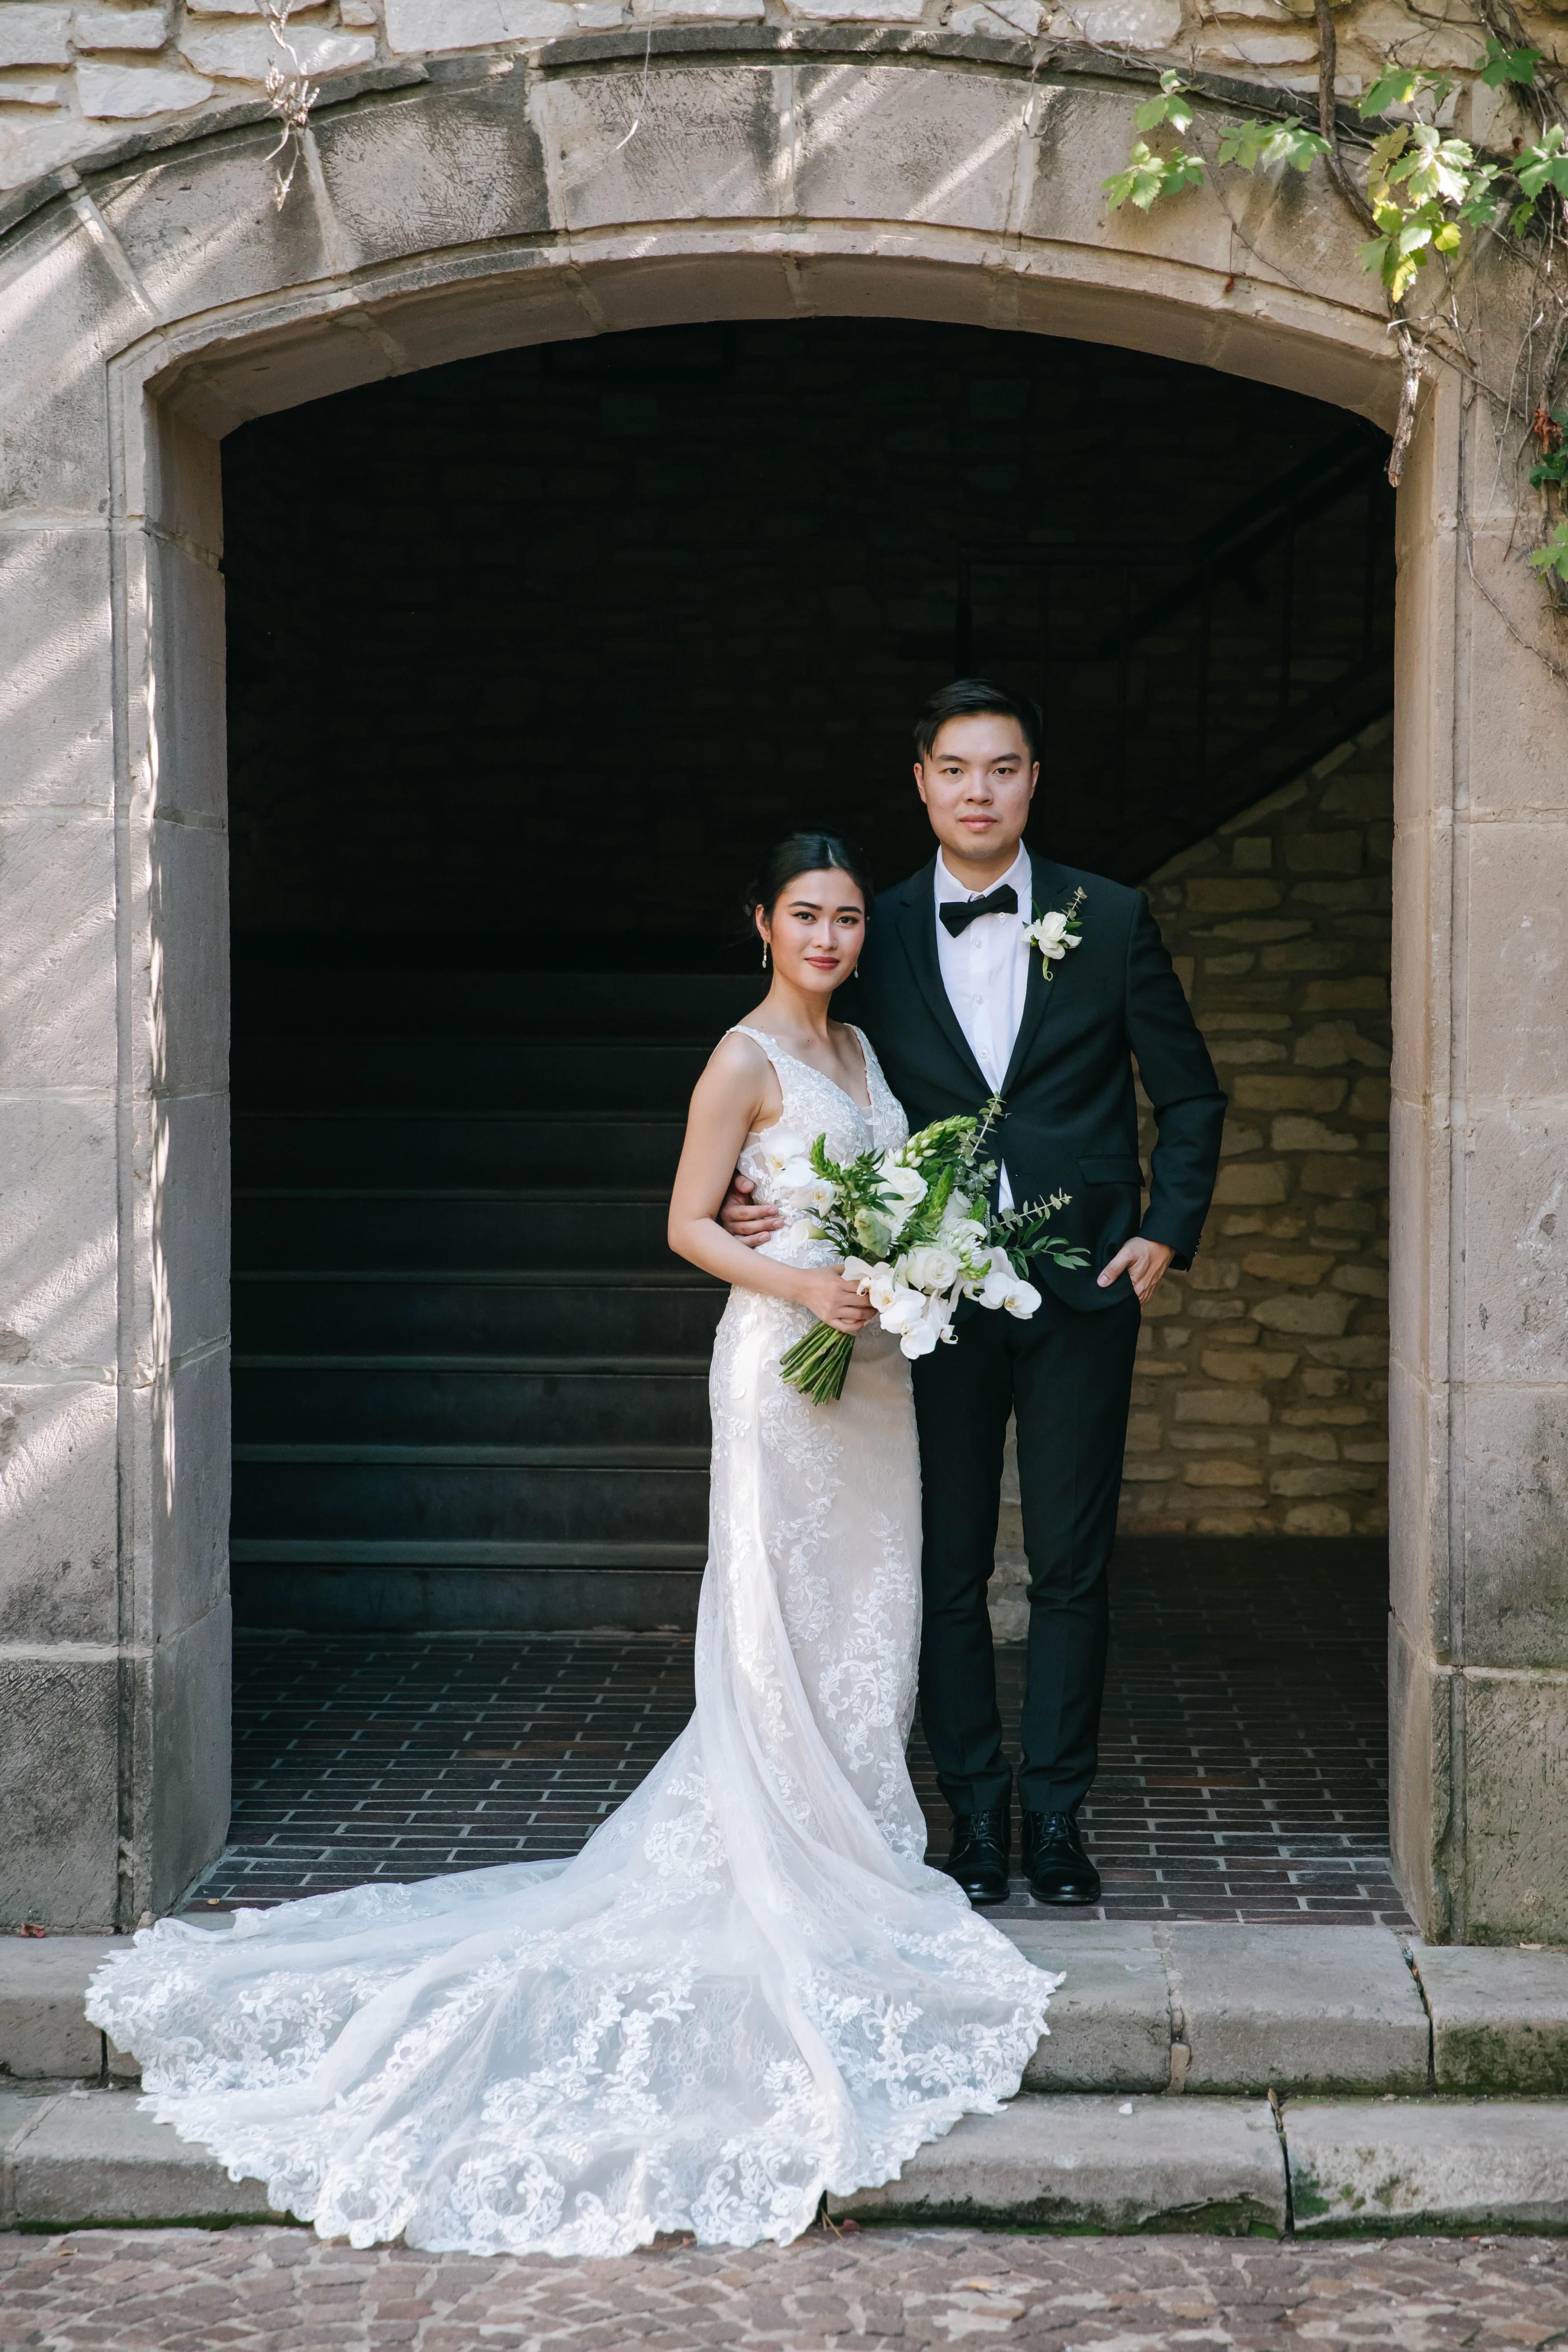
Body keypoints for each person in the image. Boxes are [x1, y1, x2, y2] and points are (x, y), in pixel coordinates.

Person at [85, 830, 1056, 2261]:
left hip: (877, 1378)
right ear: (763, 924)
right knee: (778, 1618)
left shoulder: (860, 1058)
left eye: (851, 917)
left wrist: (924, 1256)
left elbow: (895, 1188)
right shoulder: (742, 1060)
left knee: (870, 1610)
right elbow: (683, 1223)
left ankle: (855, 1830)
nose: (833, 936)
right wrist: (807, 1278)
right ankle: (781, 1844)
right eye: (809, 915)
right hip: (789, 1365)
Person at [723, 683, 1226, 1910]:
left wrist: (1167, 1228)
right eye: (956, 770)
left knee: (1070, 1563)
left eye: (1003, 770)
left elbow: (1193, 1094)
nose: (980, 791)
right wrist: (763, 1197)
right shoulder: (870, 926)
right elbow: (796, 1068)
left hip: (1084, 1291)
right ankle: (973, 1816)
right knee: (943, 1561)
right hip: (923, 1299)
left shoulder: (1109, 917)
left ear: (1033, 781)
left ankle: (1056, 1817)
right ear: (923, 784)